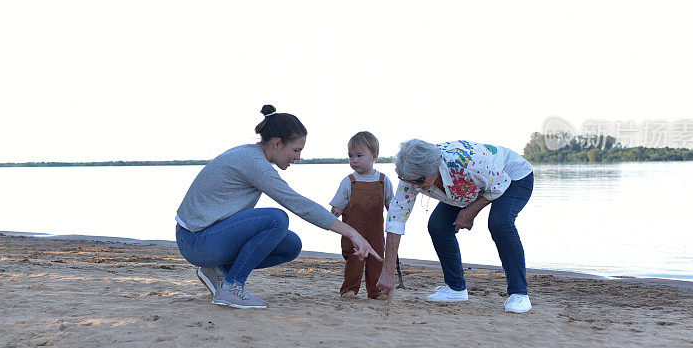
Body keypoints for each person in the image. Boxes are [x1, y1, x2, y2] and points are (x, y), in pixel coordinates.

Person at [175, 105, 381, 309]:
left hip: (204, 237)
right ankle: (232, 287)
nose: (298, 157)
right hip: (196, 241)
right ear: (277, 144)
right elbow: (300, 205)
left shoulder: (253, 156)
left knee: (290, 246)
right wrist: (353, 233)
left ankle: (218, 271)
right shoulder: (255, 164)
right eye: (296, 150)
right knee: (277, 219)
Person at [377, 139, 534, 313]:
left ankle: (520, 293)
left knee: (500, 223)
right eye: (410, 181)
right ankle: (456, 289)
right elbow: (396, 219)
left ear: (435, 167)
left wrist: (469, 212)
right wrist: (388, 272)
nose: (414, 187)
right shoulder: (412, 175)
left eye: (419, 181)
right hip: (471, 185)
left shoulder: (469, 165)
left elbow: (500, 184)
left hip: (513, 176)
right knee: (438, 225)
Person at [330, 131, 394, 299]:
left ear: (374, 155)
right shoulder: (349, 181)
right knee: (354, 261)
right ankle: (350, 289)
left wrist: (395, 219)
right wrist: (336, 210)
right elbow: (338, 205)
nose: (354, 160)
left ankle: (376, 291)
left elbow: (392, 206)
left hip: (376, 231)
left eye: (359, 155)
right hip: (353, 230)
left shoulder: (383, 180)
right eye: (351, 156)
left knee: (376, 260)